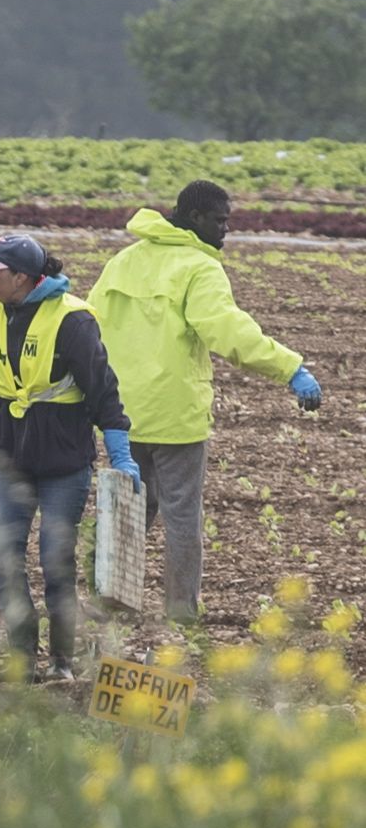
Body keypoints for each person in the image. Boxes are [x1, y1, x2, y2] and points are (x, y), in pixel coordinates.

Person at [89, 180, 322, 623]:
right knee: (181, 518)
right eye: (219, 221)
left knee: (129, 509)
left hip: (119, 413)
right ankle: (180, 613)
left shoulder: (123, 262)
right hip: (176, 416)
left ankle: (110, 603)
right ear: (194, 218)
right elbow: (227, 330)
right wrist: (290, 368)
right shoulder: (199, 268)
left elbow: (89, 328)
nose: (226, 230)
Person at [0, 234, 138, 682]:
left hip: (63, 462)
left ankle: (61, 663)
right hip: (8, 459)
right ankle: (21, 661)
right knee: (5, 558)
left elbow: (102, 391)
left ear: (20, 277)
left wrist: (121, 454)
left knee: (55, 560)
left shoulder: (73, 320)